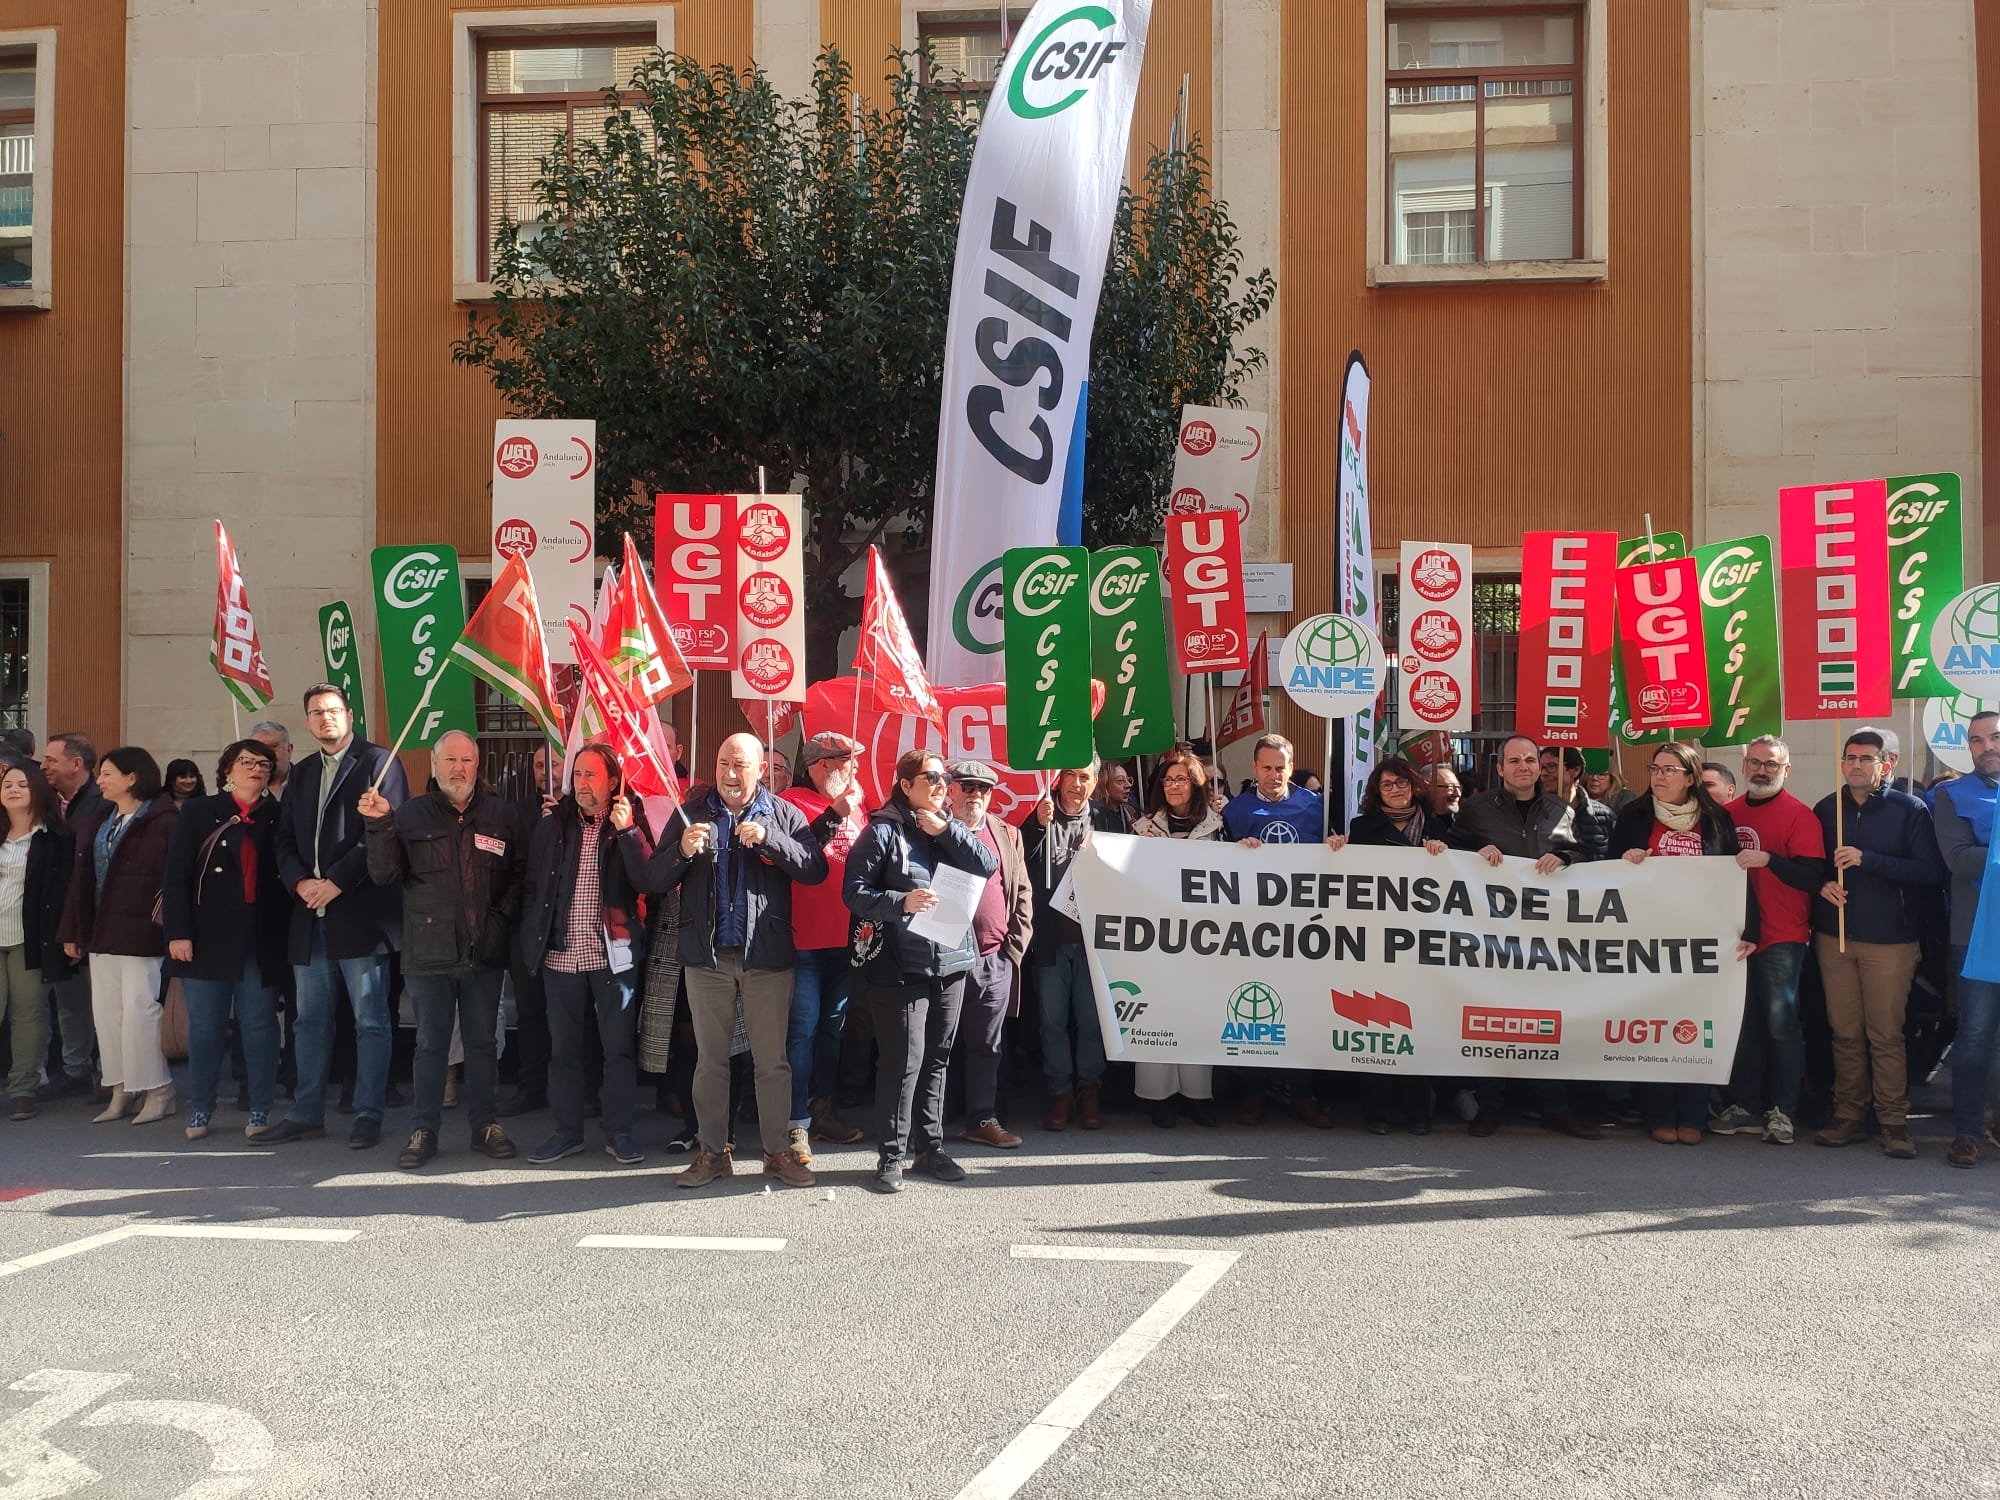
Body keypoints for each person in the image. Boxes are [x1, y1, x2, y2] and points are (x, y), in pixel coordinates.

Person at [637, 731, 827, 1191]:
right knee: (711, 1061)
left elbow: (814, 868)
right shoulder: (692, 812)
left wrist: (770, 842)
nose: (729, 774)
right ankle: (713, 1151)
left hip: (766, 955)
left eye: (739, 765)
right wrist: (682, 850)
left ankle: (777, 1152)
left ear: (761, 769)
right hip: (707, 959)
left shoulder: (783, 813)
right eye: (723, 763)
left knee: (771, 1061)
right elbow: (654, 877)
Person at [360, 730, 523, 1170]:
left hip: (484, 951)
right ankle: (424, 1129)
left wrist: (499, 921)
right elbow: (384, 874)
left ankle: (484, 1125)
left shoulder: (501, 815)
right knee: (430, 1045)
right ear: (433, 766)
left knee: (484, 1044)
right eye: (450, 760)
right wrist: (378, 825)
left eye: (467, 760)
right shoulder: (410, 815)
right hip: (428, 953)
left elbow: (519, 876)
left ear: (477, 765)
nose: (459, 768)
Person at [843, 748, 998, 1191]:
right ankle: (891, 1155)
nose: (939, 786)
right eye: (929, 778)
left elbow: (986, 865)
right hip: (899, 965)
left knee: (937, 1059)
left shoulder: (950, 825)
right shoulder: (881, 831)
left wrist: (948, 830)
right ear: (905, 784)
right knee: (902, 1061)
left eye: (943, 778)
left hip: (949, 959)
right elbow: (853, 892)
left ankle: (931, 1147)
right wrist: (900, 902)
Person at [268, 684, 407, 1150]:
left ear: (350, 715)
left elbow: (385, 835)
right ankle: (307, 1112)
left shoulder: (378, 762)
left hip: (361, 914)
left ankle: (368, 1112)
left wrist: (338, 881)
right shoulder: (303, 773)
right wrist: (299, 883)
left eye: (333, 710)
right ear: (307, 722)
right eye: (316, 713)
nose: (325, 718)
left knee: (370, 1020)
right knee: (308, 1021)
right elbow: (283, 840)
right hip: (310, 915)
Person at [1810, 727, 1947, 1157]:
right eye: (1849, 757)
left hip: (1891, 942)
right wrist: (1822, 885)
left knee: (1885, 1035)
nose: (1853, 765)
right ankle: (1848, 1113)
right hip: (1836, 937)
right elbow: (1810, 864)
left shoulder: (1911, 810)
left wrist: (1869, 860)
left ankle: (1893, 1121)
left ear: (1887, 763)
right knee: (1844, 1033)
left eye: (1865, 758)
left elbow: (1931, 873)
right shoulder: (1826, 807)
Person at [518, 742, 654, 1167]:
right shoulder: (552, 825)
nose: (581, 784)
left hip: (613, 958)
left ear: (613, 781)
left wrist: (630, 831)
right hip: (561, 956)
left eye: (591, 775)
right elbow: (532, 886)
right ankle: (566, 1132)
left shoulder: (629, 822)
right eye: (577, 775)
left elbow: (649, 878)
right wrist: (531, 939)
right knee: (564, 1051)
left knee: (618, 1050)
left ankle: (620, 1133)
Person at [1612, 742, 1755, 1144]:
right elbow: (1606, 870)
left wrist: (1750, 931)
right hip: (1646, 939)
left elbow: (1736, 878)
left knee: (1696, 1025)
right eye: (1655, 768)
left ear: (1690, 777)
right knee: (1653, 1026)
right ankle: (1657, 1112)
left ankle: (1693, 1113)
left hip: (1702, 941)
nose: (1658, 776)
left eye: (1669, 769)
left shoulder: (1717, 820)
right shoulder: (1633, 815)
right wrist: (1627, 859)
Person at [1450, 734, 1591, 1138]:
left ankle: (1555, 1107)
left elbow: (1591, 854)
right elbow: (1451, 853)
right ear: (1500, 768)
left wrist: (1566, 857)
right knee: (1495, 1017)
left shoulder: (1562, 809)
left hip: (1548, 934)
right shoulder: (1475, 809)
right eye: (1514, 761)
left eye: (1530, 760)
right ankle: (1490, 1106)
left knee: (1546, 1017)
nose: (1523, 767)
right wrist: (1474, 857)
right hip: (1493, 933)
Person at [162, 740, 288, 1142]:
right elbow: (176, 874)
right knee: (205, 1026)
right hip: (205, 932)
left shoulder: (277, 815)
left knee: (259, 1023)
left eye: (264, 764)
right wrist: (178, 932)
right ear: (227, 770)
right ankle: (201, 1107)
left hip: (259, 932)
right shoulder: (201, 811)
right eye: (246, 761)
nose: (256, 768)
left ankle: (260, 1107)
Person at [1706, 736, 1824, 1145]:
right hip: (1736, 938)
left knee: (1781, 1027)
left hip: (1782, 937)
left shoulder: (1799, 816)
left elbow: (1813, 876)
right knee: (1743, 1027)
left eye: (1770, 764)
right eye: (1754, 763)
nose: (1761, 770)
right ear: (1743, 768)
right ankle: (1745, 1105)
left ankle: (1783, 1110)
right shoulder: (1726, 814)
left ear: (1786, 769)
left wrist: (1770, 860)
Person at [1327, 756, 1450, 1134]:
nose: (1395, 790)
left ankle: (1419, 1112)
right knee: (1375, 1022)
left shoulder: (1441, 825)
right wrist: (1336, 848)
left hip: (1423, 941)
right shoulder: (1362, 827)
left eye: (1401, 783)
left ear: (1415, 785)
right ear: (1375, 792)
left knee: (1416, 1022)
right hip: (1376, 940)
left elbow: (1465, 872)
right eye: (1386, 785)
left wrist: (1447, 853)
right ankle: (1377, 1112)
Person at [58, 747, 178, 1125]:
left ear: (133, 777)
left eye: (108, 773)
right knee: (107, 1014)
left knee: (140, 1012)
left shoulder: (163, 820)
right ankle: (122, 1086)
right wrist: (73, 930)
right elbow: (81, 880)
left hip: (142, 931)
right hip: (101, 930)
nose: (100, 780)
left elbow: (172, 881)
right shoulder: (100, 819)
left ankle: (158, 1089)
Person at [1222, 733, 1334, 1128]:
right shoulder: (1235, 811)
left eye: (1280, 768)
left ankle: (1302, 1095)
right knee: (1256, 1011)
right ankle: (1254, 1094)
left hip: (1304, 928)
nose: (1273, 775)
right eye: (1266, 768)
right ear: (1254, 768)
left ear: (1291, 766)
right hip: (1253, 928)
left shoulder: (1316, 807)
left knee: (1301, 1010)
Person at [779, 731, 870, 1153]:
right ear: (821, 765)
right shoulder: (790, 802)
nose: (852, 768)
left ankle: (823, 1109)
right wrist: (834, 813)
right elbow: (795, 854)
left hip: (848, 937)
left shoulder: (858, 803)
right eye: (845, 760)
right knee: (802, 1029)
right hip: (804, 939)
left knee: (832, 1030)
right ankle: (796, 1117)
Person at [1024, 758, 1127, 1131]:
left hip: (1095, 944)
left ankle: (1090, 1091)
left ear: (1095, 781)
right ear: (1059, 777)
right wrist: (1037, 826)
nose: (1077, 784)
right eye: (1070, 774)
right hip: (1051, 941)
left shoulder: (1108, 819)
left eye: (1085, 777)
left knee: (1091, 1021)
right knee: (1052, 1022)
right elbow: (1025, 869)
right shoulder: (1040, 816)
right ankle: (1060, 1093)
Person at [1132, 750, 1222, 1128]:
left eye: (1181, 779)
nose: (1173, 786)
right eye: (1167, 780)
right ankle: (1158, 1099)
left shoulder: (1219, 825)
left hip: (1204, 937)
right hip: (1156, 937)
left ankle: (1196, 1096)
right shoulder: (1142, 828)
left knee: (1198, 1013)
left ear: (1196, 783)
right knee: (1157, 1013)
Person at [948, 759, 1034, 1148]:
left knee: (987, 1046)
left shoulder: (1007, 833)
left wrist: (1011, 952)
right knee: (937, 1047)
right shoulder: (933, 829)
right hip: (944, 960)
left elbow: (1023, 894)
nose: (975, 796)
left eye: (983, 789)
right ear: (950, 790)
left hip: (994, 958)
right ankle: (926, 1127)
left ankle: (981, 1119)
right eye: (967, 787)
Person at [1928, 711, 2000, 1168]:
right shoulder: (1951, 795)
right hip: (1977, 934)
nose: (1986, 746)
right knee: (1974, 1035)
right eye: (1976, 740)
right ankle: (1968, 1131)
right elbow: (1959, 859)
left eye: (1994, 737)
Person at [36, 731, 102, 1101]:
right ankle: (76, 1070)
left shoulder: (101, 803)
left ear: (76, 764)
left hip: (91, 920)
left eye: (51, 760)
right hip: (57, 919)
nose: (43, 766)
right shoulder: (47, 803)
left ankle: (110, 1074)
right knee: (69, 1001)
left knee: (102, 1004)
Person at [499, 743, 559, 1119]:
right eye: (539, 765)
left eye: (553, 764)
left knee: (574, 1015)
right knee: (531, 1012)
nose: (546, 771)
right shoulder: (516, 812)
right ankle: (531, 1085)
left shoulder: (580, 810)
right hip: (527, 930)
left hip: (570, 932)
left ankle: (580, 1088)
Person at [1, 764, 63, 1120]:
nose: (13, 789)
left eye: (22, 784)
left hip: (29, 940)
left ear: (37, 791)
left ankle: (23, 1090)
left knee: (27, 1015)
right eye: (7, 784)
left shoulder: (53, 837)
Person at [248, 720, 293, 799]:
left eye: (273, 747)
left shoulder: (308, 780)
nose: (267, 754)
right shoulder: (240, 789)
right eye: (260, 749)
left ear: (289, 750)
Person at [1095, 762, 1139, 833]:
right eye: (1120, 780)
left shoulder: (1131, 811)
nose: (1128, 785)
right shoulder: (1093, 815)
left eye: (1128, 779)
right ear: (1104, 784)